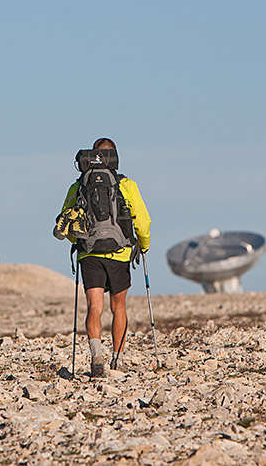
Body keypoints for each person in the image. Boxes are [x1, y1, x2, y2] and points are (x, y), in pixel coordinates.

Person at [58, 138, 150, 376]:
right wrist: (144, 245)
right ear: (114, 157)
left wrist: (78, 244)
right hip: (119, 253)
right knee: (118, 307)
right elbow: (143, 221)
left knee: (94, 306)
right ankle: (117, 360)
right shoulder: (127, 184)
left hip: (90, 254)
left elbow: (66, 222)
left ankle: (96, 355)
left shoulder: (79, 186)